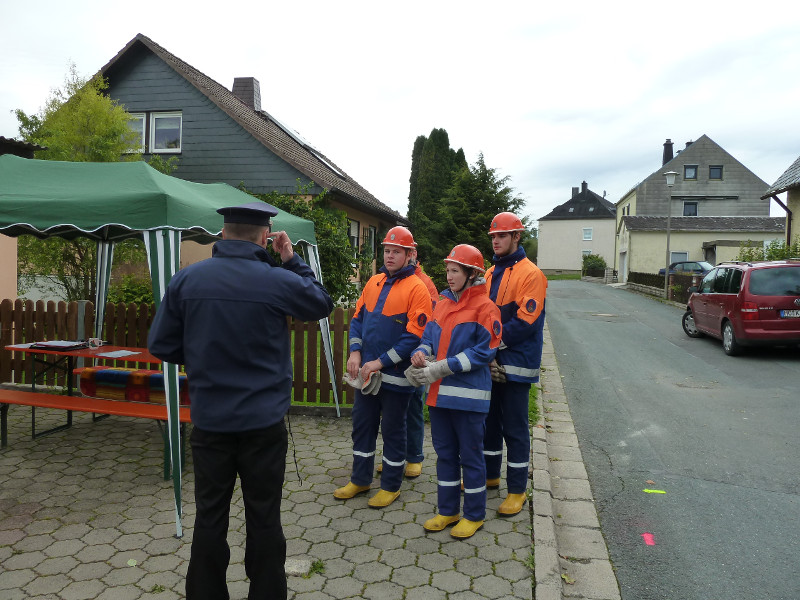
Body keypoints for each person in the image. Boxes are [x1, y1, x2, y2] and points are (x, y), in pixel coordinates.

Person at [147, 201, 333, 600]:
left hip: (210, 423)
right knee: (264, 517)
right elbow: (320, 303)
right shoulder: (277, 280)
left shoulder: (187, 280)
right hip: (263, 425)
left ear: (222, 234)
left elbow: (160, 344)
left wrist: (202, 355)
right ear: (266, 237)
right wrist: (292, 260)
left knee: (209, 517)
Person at [406, 244, 501, 539]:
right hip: (439, 398)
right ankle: (448, 511)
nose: (449, 276)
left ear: (472, 273)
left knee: (471, 458)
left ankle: (474, 515)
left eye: (455, 271)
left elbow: (484, 352)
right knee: (445, 456)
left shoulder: (486, 308)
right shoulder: (442, 304)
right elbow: (428, 339)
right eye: (448, 270)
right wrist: (421, 353)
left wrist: (442, 367)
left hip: (469, 400)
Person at [334, 226, 433, 508]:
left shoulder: (417, 288)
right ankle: (360, 479)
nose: (389, 256)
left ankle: (390, 486)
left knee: (393, 430)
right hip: (368, 375)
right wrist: (355, 352)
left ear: (409, 254)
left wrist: (379, 362)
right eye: (387, 251)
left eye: (396, 252)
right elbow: (357, 319)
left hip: (395, 378)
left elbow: (413, 337)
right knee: (362, 427)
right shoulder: (374, 282)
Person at [483, 212, 547, 516]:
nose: (496, 241)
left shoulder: (531, 274)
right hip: (491, 361)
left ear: (516, 237)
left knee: (515, 429)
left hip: (516, 366)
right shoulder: (488, 273)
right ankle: (490, 476)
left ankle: (517, 490)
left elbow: (525, 322)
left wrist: (489, 347)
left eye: (502, 236)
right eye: (493, 236)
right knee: (489, 424)